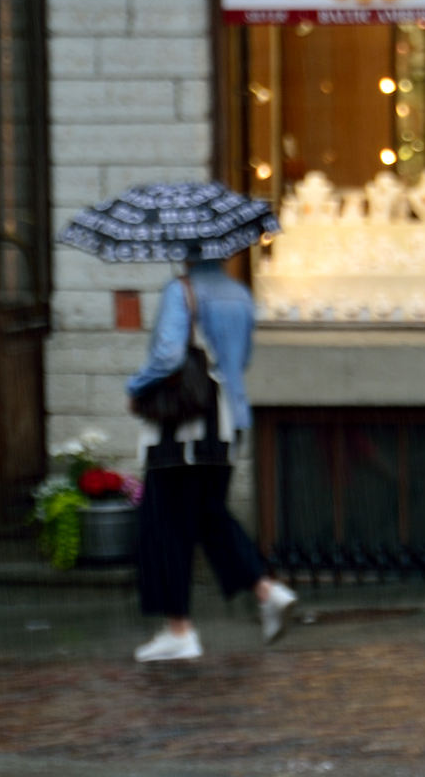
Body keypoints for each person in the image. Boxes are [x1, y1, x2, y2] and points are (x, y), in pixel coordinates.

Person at [126, 259, 298, 663]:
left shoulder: (180, 290)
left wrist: (136, 386)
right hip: (227, 423)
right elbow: (242, 360)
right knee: (208, 516)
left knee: (164, 525)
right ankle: (266, 591)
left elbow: (168, 356)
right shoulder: (241, 294)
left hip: (184, 428)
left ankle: (179, 630)